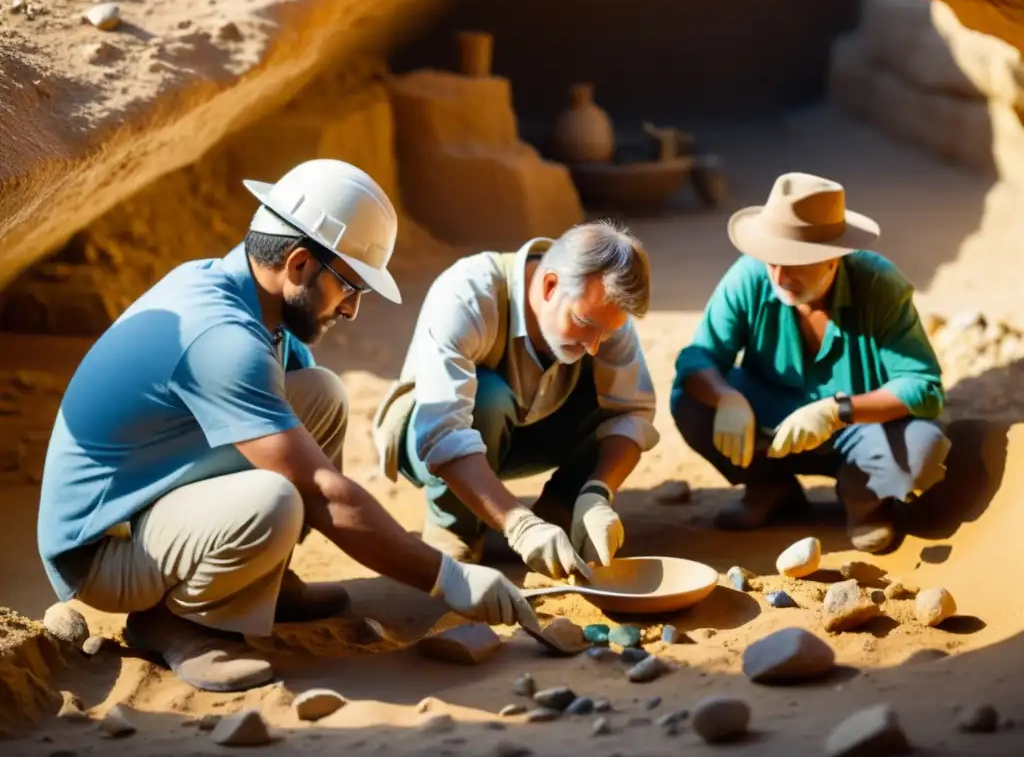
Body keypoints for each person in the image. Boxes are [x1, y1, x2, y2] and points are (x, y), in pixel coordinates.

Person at [36, 159, 541, 693]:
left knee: (321, 396)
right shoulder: (223, 340)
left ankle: (259, 580)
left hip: (144, 501)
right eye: (350, 287)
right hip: (102, 550)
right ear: (299, 265)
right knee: (278, 498)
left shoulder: (242, 293)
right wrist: (448, 577)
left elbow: (308, 426)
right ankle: (177, 621)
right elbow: (325, 494)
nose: (351, 310)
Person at [670, 171, 951, 553]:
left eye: (795, 262)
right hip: (768, 417)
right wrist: (725, 398)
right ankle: (771, 488)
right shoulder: (751, 276)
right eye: (772, 261)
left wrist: (838, 410)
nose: (780, 276)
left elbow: (923, 386)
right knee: (690, 402)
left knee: (922, 448)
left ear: (834, 258)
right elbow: (698, 356)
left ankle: (865, 503)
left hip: (861, 427)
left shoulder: (879, 285)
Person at [373, 221, 659, 577]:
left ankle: (561, 511)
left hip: (530, 426)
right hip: (431, 436)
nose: (594, 344)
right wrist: (518, 524)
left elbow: (631, 413)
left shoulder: (600, 311)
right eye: (584, 323)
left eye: (606, 332)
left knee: (604, 391)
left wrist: (597, 492)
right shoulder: (469, 294)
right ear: (550, 285)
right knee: (488, 395)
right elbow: (442, 431)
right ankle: (457, 525)